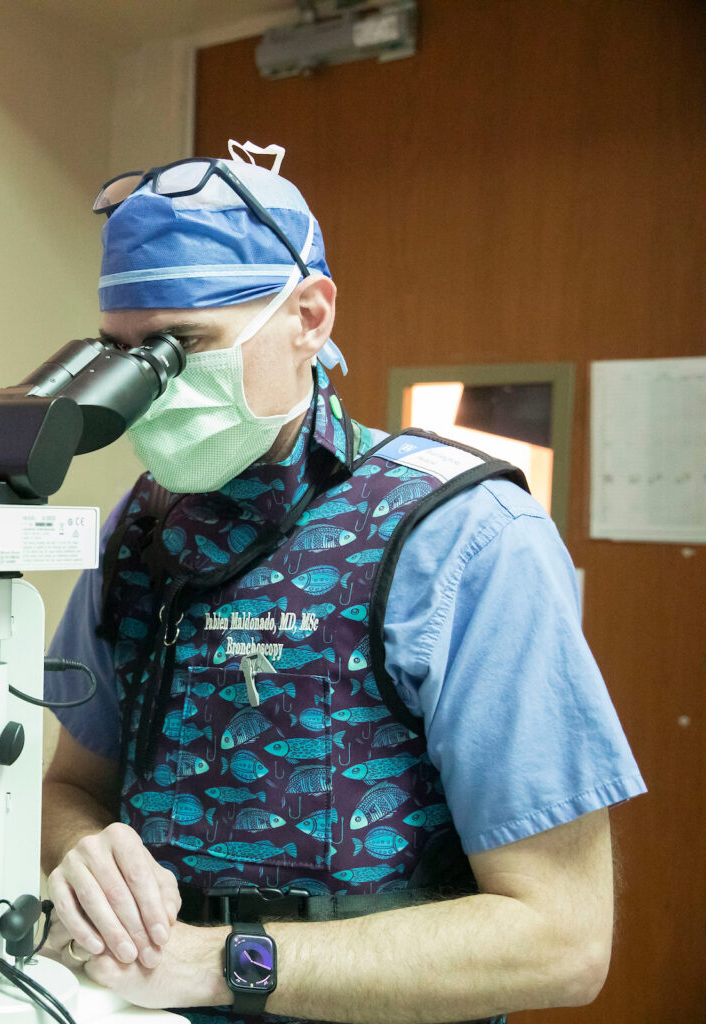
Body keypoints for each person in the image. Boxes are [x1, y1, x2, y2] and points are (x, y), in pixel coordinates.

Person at [38, 144, 645, 1023]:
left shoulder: (462, 538)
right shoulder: (139, 530)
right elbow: (71, 790)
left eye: (185, 347)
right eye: (125, 353)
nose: (156, 390)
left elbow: (563, 940)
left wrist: (222, 964)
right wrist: (82, 858)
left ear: (311, 316)